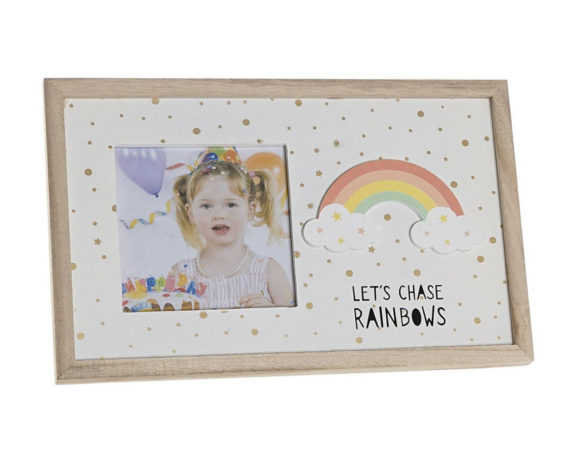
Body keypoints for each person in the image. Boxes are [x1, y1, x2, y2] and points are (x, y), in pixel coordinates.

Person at [170, 148, 294, 309]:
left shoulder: (269, 271)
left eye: (230, 204)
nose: (219, 214)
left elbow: (294, 321)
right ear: (191, 213)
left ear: (250, 210)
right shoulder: (180, 274)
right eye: (206, 206)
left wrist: (270, 310)